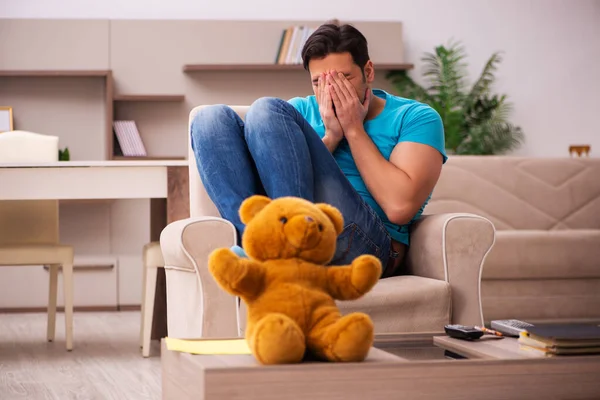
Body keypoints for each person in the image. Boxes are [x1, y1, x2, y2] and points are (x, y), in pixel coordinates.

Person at [190, 22, 446, 278]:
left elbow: (399, 208)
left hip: (366, 244)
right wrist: (331, 137)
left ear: (368, 71)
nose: (331, 91)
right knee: (208, 119)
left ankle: (283, 251)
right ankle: (259, 244)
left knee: (266, 108)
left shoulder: (415, 117)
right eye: (318, 82)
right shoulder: (298, 112)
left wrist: (353, 129)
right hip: (303, 231)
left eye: (343, 78)